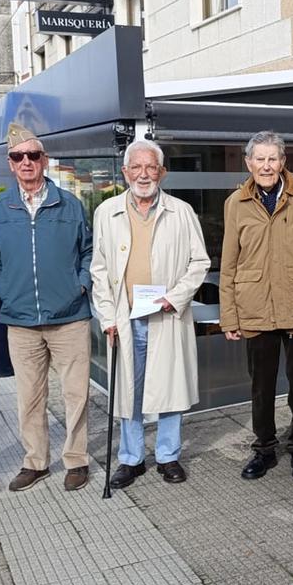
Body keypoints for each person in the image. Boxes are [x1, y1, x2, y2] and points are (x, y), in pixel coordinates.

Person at [91, 139, 210, 488]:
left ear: (162, 172)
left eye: (151, 167)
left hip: (166, 315)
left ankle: (168, 456)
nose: (144, 174)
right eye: (137, 167)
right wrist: (107, 317)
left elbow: (199, 262)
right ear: (125, 172)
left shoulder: (181, 211)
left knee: (170, 388)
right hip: (125, 318)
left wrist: (175, 297)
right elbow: (99, 269)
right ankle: (131, 459)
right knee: (129, 390)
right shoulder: (107, 212)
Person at [0, 123, 94, 493]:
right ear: (10, 163)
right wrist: (3, 290)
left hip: (69, 317)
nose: (26, 162)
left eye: (33, 155)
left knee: (76, 394)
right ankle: (35, 462)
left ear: (44, 160)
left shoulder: (69, 204)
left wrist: (80, 284)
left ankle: (76, 460)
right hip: (20, 320)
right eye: (18, 156)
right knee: (29, 397)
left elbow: (87, 251)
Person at [219, 131, 293, 481]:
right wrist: (229, 316)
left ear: (283, 161)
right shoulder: (235, 203)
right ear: (248, 163)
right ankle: (264, 448)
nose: (266, 165)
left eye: (272, 158)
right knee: (261, 386)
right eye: (259, 159)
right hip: (255, 307)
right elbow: (229, 262)